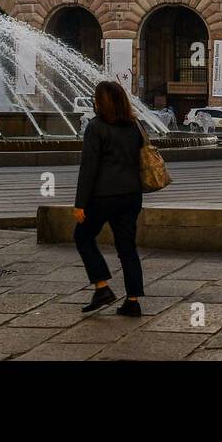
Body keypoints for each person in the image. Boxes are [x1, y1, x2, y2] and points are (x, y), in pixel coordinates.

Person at [72, 80, 146, 317]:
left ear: (100, 102)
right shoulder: (134, 125)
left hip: (104, 196)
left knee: (82, 236)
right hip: (132, 196)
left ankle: (102, 287)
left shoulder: (96, 127)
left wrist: (80, 203)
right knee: (127, 249)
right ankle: (133, 301)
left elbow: (89, 168)